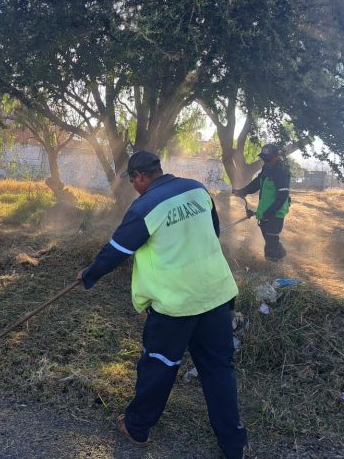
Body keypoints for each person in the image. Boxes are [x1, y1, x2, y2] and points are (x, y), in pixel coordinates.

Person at [77, 151, 248, 459]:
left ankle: (137, 427)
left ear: (140, 177)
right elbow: (212, 231)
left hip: (175, 304)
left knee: (159, 366)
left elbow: (117, 249)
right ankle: (234, 444)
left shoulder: (145, 206)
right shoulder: (197, 189)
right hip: (215, 295)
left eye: (133, 181)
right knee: (219, 370)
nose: (134, 187)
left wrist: (89, 274)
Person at [232, 143, 290, 260]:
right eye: (264, 159)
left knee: (271, 241)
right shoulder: (267, 168)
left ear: (276, 157)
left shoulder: (281, 171)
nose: (266, 161)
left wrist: (269, 213)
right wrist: (243, 191)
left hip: (275, 213)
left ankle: (272, 267)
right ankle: (281, 255)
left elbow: (283, 195)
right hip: (265, 211)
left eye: (268, 159)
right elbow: (258, 182)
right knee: (269, 239)